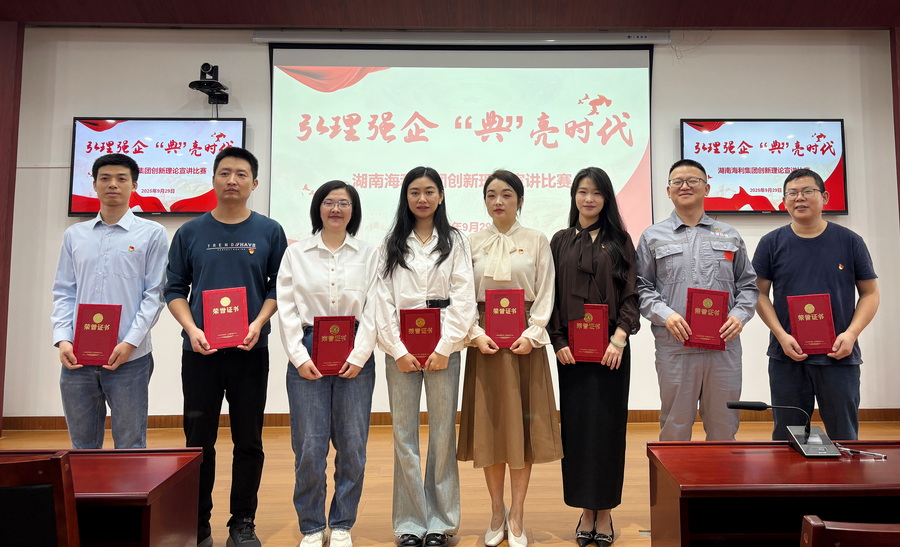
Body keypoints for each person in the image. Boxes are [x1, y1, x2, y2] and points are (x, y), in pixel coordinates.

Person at [164, 147, 288, 547]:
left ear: (255, 182)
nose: (232, 180)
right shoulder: (190, 232)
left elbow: (278, 287)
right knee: (198, 440)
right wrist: (191, 329)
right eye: (225, 172)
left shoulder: (269, 231)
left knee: (248, 439)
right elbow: (174, 288)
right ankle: (197, 523)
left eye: (241, 174)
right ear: (214, 179)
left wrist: (257, 323)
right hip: (200, 352)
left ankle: (242, 522)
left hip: (250, 350)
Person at [457, 170, 563, 547]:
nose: (498, 201)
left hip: (523, 344)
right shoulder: (471, 243)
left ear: (519, 200)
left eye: (506, 194)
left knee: (522, 431)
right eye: (491, 195)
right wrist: (474, 332)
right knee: (491, 428)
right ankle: (495, 510)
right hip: (485, 343)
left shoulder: (536, 240)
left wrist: (533, 334)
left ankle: (517, 513)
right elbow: (462, 294)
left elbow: (547, 290)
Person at [374, 166, 476, 547]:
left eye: (429, 191)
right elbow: (382, 300)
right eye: (415, 192)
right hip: (400, 352)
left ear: (441, 196)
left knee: (443, 433)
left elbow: (464, 297)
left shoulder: (456, 241)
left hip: (443, 351)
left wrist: (445, 346)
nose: (422, 198)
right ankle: (410, 523)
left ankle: (441, 522)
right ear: (406, 197)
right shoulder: (391, 242)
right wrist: (398, 350)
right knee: (403, 434)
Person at [276, 181, 378, 547]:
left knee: (353, 446)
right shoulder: (296, 254)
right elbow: (286, 308)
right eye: (329, 202)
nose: (336, 209)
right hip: (308, 350)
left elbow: (375, 308)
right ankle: (312, 526)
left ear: (353, 210)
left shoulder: (369, 254)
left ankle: (342, 524)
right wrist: (298, 356)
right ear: (318, 207)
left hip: (355, 350)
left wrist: (360, 354)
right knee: (309, 447)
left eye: (344, 203)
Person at [51, 153, 168, 449]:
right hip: (77, 356)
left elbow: (155, 294)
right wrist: (63, 339)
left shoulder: (152, 234)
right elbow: (64, 291)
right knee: (82, 445)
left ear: (134, 185)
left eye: (121, 178)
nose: (112, 184)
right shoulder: (74, 235)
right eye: (105, 178)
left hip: (130, 358)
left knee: (130, 444)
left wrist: (130, 342)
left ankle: (127, 486)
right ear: (94, 185)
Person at [752, 168, 879, 441]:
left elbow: (870, 293)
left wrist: (851, 334)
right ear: (784, 201)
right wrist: (781, 335)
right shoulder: (770, 243)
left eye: (807, 191)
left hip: (839, 355)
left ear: (825, 197)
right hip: (787, 356)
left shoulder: (850, 241)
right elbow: (759, 294)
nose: (799, 198)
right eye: (792, 193)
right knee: (788, 438)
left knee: (844, 436)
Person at [549, 167, 640, 547]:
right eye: (583, 191)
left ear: (606, 199)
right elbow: (550, 295)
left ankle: (605, 512)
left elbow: (632, 293)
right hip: (571, 354)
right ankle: (585, 511)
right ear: (574, 196)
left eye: (597, 193)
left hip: (611, 353)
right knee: (577, 432)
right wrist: (557, 341)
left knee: (607, 431)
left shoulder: (620, 241)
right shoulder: (560, 241)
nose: (589, 199)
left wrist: (619, 338)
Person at [636, 159, 758, 441]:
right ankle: (674, 473)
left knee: (724, 426)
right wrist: (666, 314)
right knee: (675, 427)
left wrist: (739, 316)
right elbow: (641, 287)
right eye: (677, 182)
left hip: (723, 348)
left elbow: (748, 285)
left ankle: (720, 473)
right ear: (668, 191)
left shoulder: (730, 235)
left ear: (706, 188)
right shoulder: (653, 236)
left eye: (693, 180)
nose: (685, 186)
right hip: (675, 347)